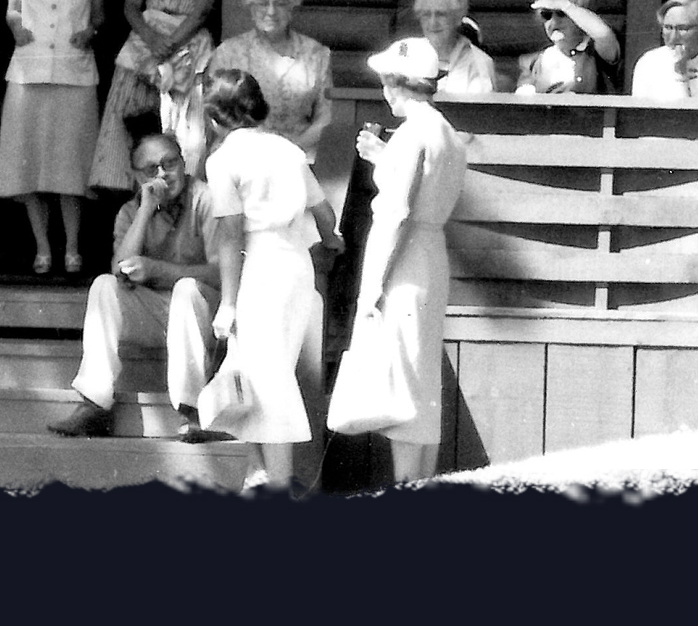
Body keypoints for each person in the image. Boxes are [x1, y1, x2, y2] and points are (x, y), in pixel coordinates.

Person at [203, 69, 344, 494]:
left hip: (261, 267)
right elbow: (325, 217)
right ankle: (259, 473)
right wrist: (332, 242)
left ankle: (277, 485)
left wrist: (228, 303)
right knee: (267, 370)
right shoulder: (288, 150)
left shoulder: (223, 160)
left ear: (213, 118)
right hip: (296, 266)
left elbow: (230, 233)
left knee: (267, 379)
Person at [339, 37, 467, 483]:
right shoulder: (443, 130)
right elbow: (419, 189)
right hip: (429, 254)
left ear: (396, 84)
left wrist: (373, 284)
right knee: (419, 376)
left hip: (405, 259)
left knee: (405, 380)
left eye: (385, 82)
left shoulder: (414, 132)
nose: (383, 91)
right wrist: (383, 159)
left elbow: (396, 212)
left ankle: (407, 489)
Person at [47, 132, 221, 441]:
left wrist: (158, 270)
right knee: (103, 284)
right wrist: (145, 211)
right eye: (151, 169)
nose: (163, 174)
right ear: (135, 176)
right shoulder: (130, 211)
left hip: (203, 312)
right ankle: (95, 402)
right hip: (156, 314)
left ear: (183, 164)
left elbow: (221, 271)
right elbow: (120, 270)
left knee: (186, 290)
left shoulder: (205, 199)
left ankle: (193, 409)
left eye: (170, 163)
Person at [0, 0, 105, 275]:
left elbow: (99, 15)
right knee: (27, 162)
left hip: (74, 74)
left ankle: (72, 247)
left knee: (69, 165)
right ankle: (42, 247)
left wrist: (91, 32)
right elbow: (11, 8)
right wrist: (15, 26)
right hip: (30, 70)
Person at [89, 0, 222, 189]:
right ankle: (135, 206)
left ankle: (178, 203)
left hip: (186, 46)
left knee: (180, 132)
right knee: (132, 127)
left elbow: (202, 9)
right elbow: (131, 4)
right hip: (145, 47)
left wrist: (170, 45)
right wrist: (151, 39)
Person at [209, 0, 333, 168]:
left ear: (293, 5)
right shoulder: (228, 53)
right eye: (262, 3)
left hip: (295, 160)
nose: (271, 11)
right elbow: (214, 115)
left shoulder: (316, 54)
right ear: (251, 6)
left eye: (280, 3)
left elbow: (325, 117)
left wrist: (287, 153)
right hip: (242, 160)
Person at [515, 0, 621, 94]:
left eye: (562, 14)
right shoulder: (533, 62)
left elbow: (603, 34)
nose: (554, 22)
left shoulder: (595, 54)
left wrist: (566, 6)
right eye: (546, 14)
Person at [411, 0, 496, 93]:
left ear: (457, 19)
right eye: (426, 14)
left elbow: (477, 110)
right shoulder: (405, 51)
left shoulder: (478, 63)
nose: (432, 22)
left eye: (440, 14)